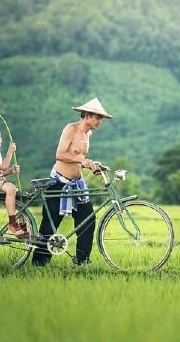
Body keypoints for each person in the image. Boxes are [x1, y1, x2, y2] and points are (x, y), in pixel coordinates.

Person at [32, 97, 113, 266]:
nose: (100, 121)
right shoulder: (71, 128)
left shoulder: (88, 133)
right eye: (98, 118)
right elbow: (60, 154)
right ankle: (39, 263)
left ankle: (82, 261)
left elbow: (79, 158)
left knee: (88, 219)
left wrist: (92, 165)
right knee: (50, 224)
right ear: (88, 115)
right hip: (59, 182)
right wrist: (83, 161)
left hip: (77, 183)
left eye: (101, 118)